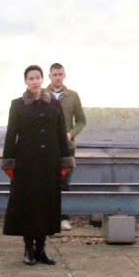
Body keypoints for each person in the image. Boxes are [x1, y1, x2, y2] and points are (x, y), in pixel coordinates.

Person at [1, 65, 73, 266]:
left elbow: (61, 133)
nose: (34, 81)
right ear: (25, 81)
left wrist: (65, 160)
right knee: (28, 205)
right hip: (26, 163)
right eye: (30, 78)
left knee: (46, 205)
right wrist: (8, 162)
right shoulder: (17, 105)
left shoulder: (54, 104)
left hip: (49, 162)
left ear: (43, 80)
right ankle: (28, 248)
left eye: (37, 77)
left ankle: (41, 248)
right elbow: (10, 134)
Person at [47, 63, 85, 229]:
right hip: (46, 146)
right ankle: (47, 216)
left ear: (64, 75)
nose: (57, 77)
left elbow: (82, 120)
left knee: (64, 183)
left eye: (60, 74)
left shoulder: (73, 96)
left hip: (67, 147)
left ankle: (63, 218)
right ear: (49, 76)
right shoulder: (42, 95)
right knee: (47, 181)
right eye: (54, 74)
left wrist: (70, 134)